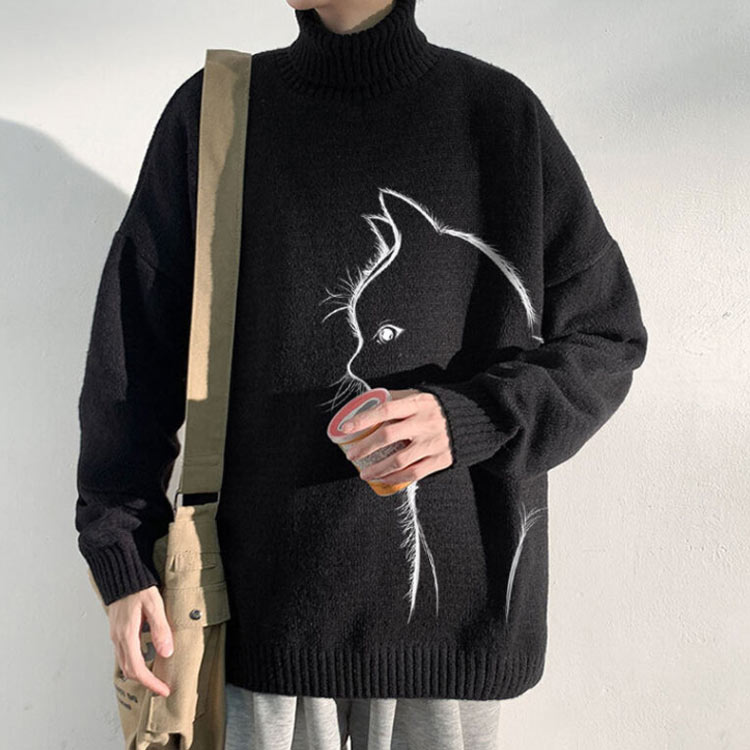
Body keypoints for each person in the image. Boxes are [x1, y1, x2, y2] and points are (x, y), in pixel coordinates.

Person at [75, 0, 649, 747]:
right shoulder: (216, 117)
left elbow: (606, 338)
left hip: (450, 628)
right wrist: (121, 551)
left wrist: (472, 418)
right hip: (257, 617)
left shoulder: (499, 117)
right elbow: (132, 357)